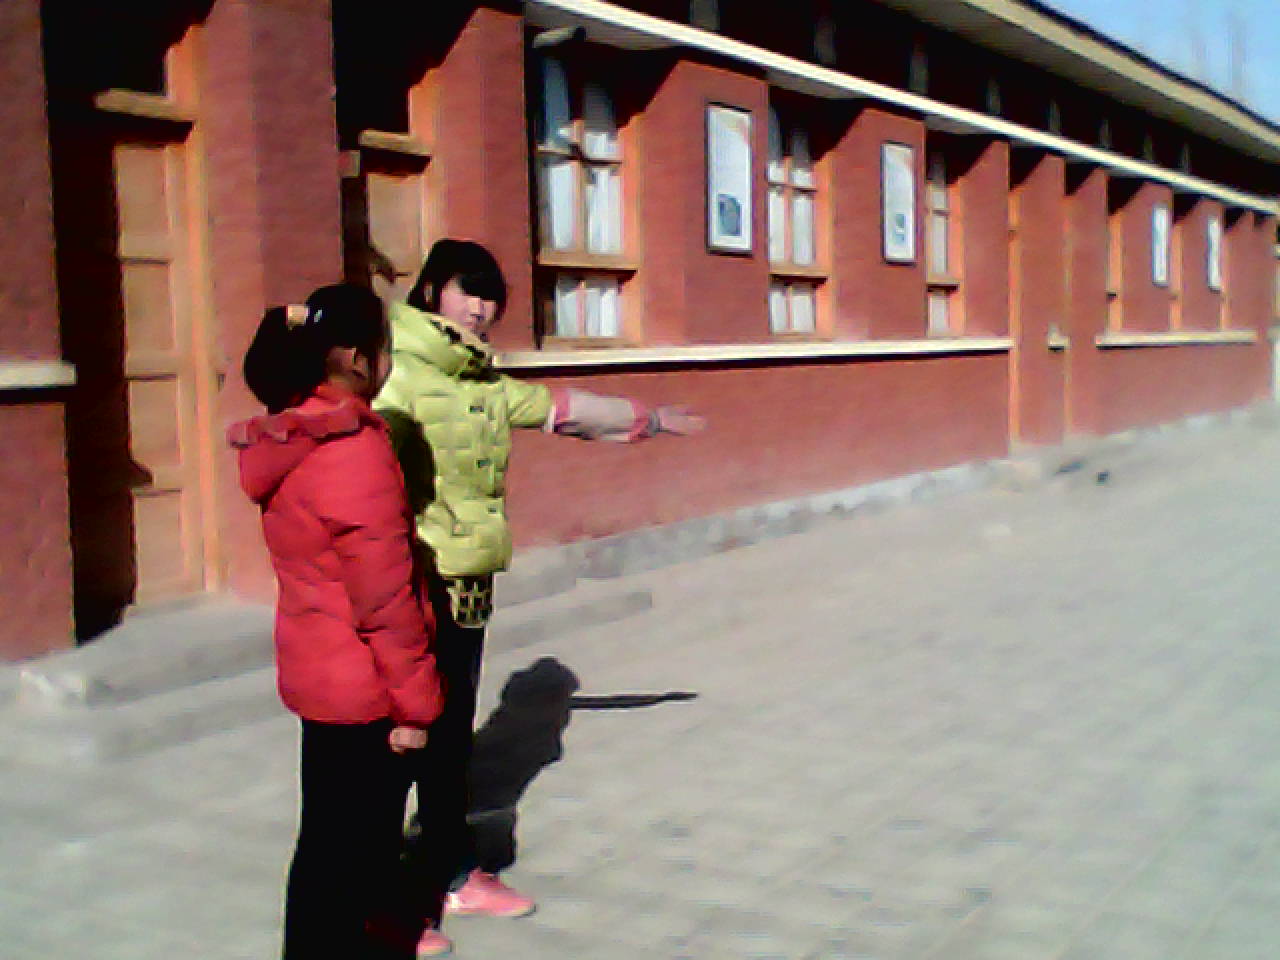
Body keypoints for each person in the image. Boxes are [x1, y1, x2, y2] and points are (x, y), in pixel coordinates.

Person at [376, 239, 702, 940]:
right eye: (468, 290)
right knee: (403, 738)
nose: (481, 308)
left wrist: (645, 421)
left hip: (467, 580)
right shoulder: (395, 371)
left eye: (491, 297)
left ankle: (450, 873)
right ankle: (384, 901)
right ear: (432, 290)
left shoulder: (479, 380)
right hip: (411, 583)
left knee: (451, 738)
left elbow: (557, 408)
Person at [229, 283, 449, 959]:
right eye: (384, 349)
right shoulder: (351, 448)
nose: (386, 362)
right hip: (364, 688)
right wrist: (416, 706)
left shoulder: (289, 434)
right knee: (344, 858)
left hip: (319, 673)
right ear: (356, 358)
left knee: (325, 845)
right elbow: (384, 599)